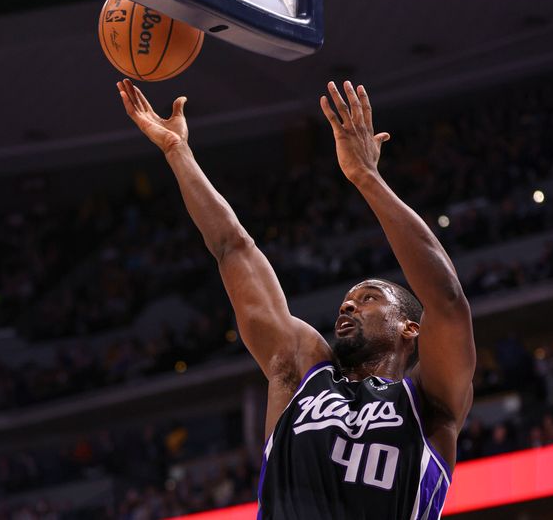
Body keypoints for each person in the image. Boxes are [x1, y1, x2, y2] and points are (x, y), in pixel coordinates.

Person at [117, 79, 475, 519]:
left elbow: (448, 300)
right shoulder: (301, 368)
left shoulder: (430, 400)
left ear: (410, 328)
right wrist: (178, 152)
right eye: (347, 299)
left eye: (368, 299)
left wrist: (366, 177)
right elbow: (233, 248)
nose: (347, 305)